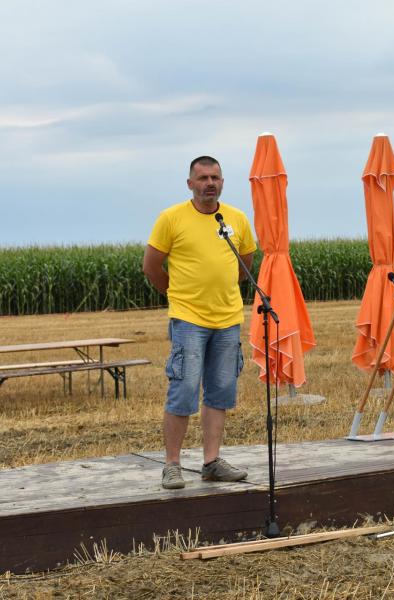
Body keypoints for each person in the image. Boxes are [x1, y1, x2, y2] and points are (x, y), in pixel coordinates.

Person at [143, 156, 258, 490]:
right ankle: (172, 465)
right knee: (184, 388)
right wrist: (178, 294)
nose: (210, 183)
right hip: (189, 319)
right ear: (190, 183)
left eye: (216, 178)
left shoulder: (235, 219)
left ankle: (211, 462)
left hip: (228, 319)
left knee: (221, 391)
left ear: (223, 182)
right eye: (203, 178)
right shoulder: (171, 218)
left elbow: (244, 264)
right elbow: (151, 267)